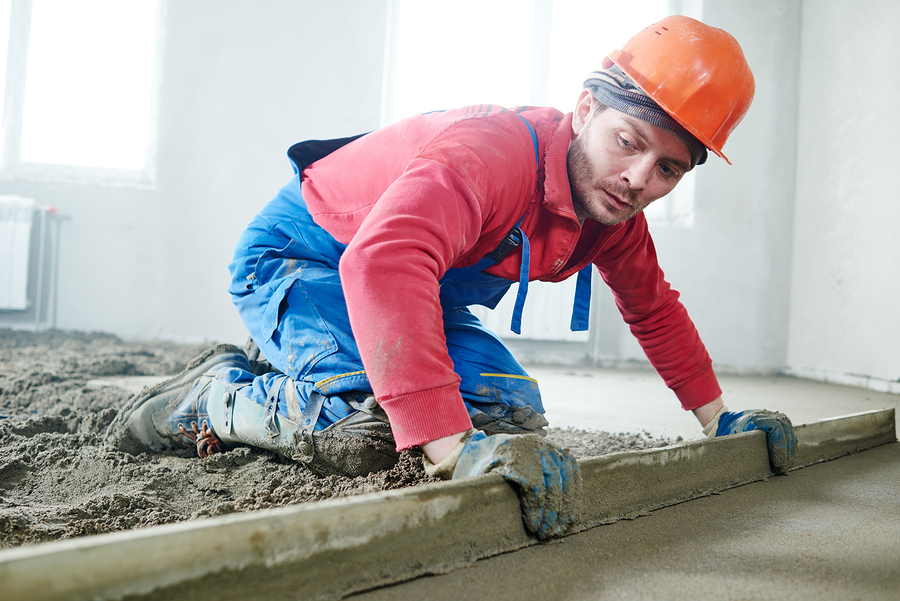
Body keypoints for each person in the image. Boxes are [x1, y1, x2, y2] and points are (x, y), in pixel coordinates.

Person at [109, 15, 795, 541]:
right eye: (629, 141)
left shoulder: (612, 212)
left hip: (407, 291)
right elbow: (383, 261)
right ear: (586, 110)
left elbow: (653, 308)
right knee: (371, 432)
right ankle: (213, 397)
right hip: (306, 259)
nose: (639, 180)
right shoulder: (493, 155)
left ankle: (305, 364)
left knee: (511, 416)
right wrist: (451, 450)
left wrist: (720, 418)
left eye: (669, 169)